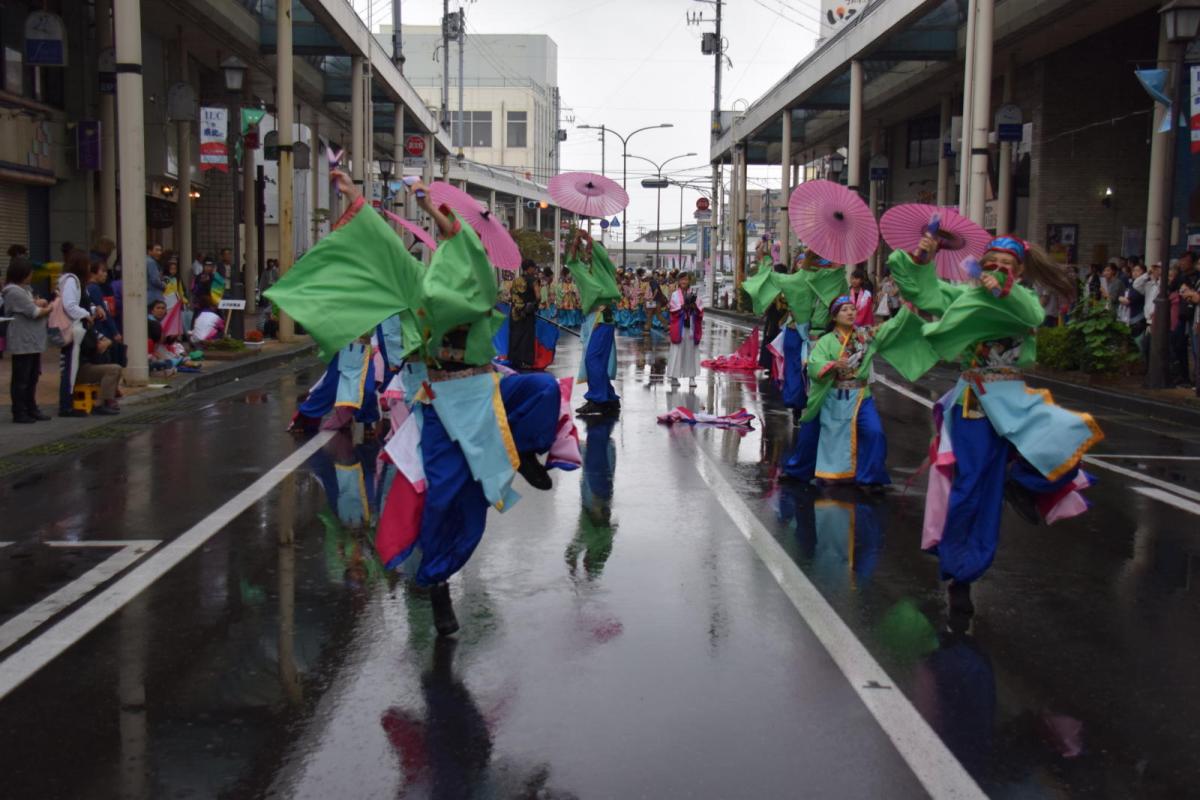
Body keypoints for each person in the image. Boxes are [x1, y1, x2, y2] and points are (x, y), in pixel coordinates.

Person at [267, 170, 564, 637]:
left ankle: (524, 450)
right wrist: (353, 196)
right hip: (442, 407)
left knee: (543, 391)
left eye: (463, 251)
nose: (458, 254)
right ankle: (437, 580)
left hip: (484, 395)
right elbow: (386, 247)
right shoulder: (419, 288)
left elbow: (460, 241)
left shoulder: (482, 286)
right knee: (450, 500)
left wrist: (431, 210)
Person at [889, 234, 1102, 629]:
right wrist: (924, 253)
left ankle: (1018, 482)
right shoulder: (963, 298)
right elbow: (922, 289)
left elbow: (1032, 316)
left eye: (1007, 264)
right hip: (977, 404)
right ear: (981, 264)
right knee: (970, 490)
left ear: (1019, 271)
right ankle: (960, 576)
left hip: (1016, 400)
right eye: (992, 262)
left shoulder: (1023, 301)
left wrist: (1003, 290)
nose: (998, 268)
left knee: (1069, 440)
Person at [782, 295, 933, 488]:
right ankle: (799, 471)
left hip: (861, 395)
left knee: (874, 432)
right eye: (844, 309)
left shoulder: (866, 336)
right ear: (834, 317)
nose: (850, 312)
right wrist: (833, 364)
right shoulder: (826, 341)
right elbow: (813, 365)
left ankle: (871, 479)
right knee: (810, 431)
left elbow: (891, 328)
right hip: (831, 395)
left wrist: (907, 308)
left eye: (852, 308)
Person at [567, 229, 622, 417]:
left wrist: (589, 239)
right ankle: (609, 398)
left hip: (602, 316)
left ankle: (598, 399)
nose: (588, 253)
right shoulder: (583, 270)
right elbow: (571, 262)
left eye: (592, 251)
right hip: (590, 318)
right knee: (595, 359)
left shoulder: (604, 269)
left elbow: (603, 257)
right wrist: (575, 242)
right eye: (586, 251)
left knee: (593, 359)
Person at [3, 258, 51, 423]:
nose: (31, 276)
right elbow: (34, 312)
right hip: (22, 341)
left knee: (32, 377)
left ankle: (31, 407)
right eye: (29, 273)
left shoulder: (25, 290)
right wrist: (51, 307)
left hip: (33, 340)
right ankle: (20, 411)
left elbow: (33, 305)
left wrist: (39, 304)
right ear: (21, 274)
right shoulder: (14, 291)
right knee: (21, 379)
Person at [57, 250, 103, 417]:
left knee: (71, 367)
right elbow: (69, 305)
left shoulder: (78, 282)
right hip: (73, 330)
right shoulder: (72, 281)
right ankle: (66, 405)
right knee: (69, 368)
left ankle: (69, 402)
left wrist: (92, 309)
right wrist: (86, 314)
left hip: (78, 330)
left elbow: (79, 303)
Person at [666, 272, 703, 387]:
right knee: (677, 351)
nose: (684, 282)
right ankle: (674, 377)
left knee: (691, 352)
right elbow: (673, 308)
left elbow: (700, 308)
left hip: (691, 326)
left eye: (686, 280)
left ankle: (692, 378)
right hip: (680, 327)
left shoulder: (694, 293)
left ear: (689, 281)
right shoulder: (675, 295)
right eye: (682, 280)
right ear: (678, 281)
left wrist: (693, 307)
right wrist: (682, 307)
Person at [508, 258, 541, 369]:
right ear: (530, 268)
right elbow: (538, 296)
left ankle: (515, 360)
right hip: (528, 313)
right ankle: (526, 361)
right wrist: (534, 304)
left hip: (516, 313)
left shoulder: (516, 280)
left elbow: (512, 295)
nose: (535, 270)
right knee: (527, 337)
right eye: (534, 268)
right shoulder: (533, 280)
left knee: (516, 335)